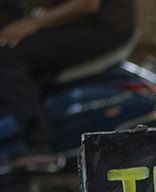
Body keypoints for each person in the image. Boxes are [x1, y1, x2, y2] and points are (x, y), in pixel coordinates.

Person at [0, 0, 135, 159]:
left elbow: (87, 4)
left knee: (9, 56)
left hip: (102, 26)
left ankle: (37, 146)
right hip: (82, 24)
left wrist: (32, 24)